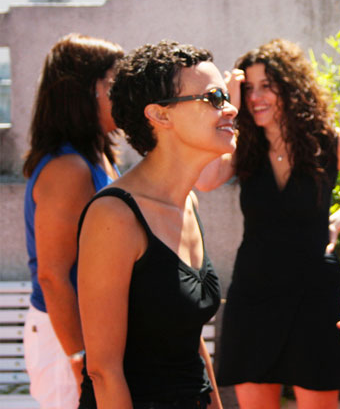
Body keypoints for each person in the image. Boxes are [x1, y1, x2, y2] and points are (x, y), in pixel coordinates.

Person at [196, 39, 340, 409]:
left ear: (290, 87)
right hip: (254, 293)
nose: (256, 97)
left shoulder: (326, 141)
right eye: (249, 88)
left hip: (313, 293)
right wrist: (226, 107)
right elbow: (206, 179)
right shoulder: (243, 145)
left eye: (267, 86)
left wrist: (339, 220)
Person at [76, 41, 235, 409]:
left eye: (226, 96)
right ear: (161, 116)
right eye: (214, 98)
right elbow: (103, 371)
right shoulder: (114, 215)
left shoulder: (187, 201)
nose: (230, 108)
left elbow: (186, 336)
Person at [22, 33, 123, 408]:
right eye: (115, 82)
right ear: (88, 90)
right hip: (66, 337)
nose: (124, 93)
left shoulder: (97, 156)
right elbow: (52, 276)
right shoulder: (68, 169)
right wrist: (80, 358)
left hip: (90, 333)